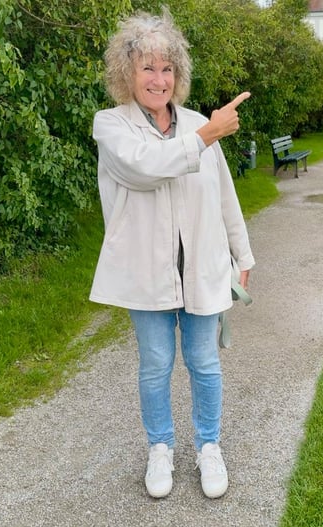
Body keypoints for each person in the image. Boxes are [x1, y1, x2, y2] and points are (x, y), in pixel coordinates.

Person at [89, 8, 255, 500]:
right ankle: (160, 447)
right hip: (148, 275)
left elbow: (225, 195)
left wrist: (242, 255)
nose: (158, 79)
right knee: (155, 364)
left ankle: (208, 447)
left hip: (202, 269)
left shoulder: (200, 124)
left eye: (167, 69)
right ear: (127, 73)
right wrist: (206, 136)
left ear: (177, 75)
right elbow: (145, 167)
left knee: (204, 363)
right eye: (147, 67)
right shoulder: (111, 126)